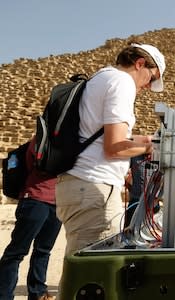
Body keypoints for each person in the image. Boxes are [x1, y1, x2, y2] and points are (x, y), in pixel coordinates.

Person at [55, 42, 166, 255]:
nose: (148, 87)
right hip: (94, 188)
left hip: (80, 185)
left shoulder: (101, 78)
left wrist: (136, 139)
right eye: (152, 78)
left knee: (83, 271)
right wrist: (149, 148)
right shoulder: (122, 82)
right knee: (92, 275)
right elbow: (114, 147)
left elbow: (97, 133)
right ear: (140, 63)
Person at [0, 138, 61, 300]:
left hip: (58, 202)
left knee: (43, 251)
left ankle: (38, 293)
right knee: (17, 251)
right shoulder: (42, 139)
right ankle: (4, 295)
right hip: (35, 199)